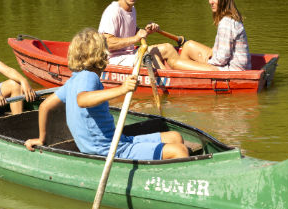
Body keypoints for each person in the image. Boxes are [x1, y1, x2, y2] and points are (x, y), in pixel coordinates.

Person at [25, 28, 189, 160]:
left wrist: (42, 139)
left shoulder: (73, 80)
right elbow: (82, 100)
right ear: (99, 54)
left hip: (114, 142)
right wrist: (122, 89)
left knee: (175, 137)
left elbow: (45, 106)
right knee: (179, 151)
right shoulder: (89, 76)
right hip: (108, 149)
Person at [166, 0, 251, 71]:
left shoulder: (226, 23)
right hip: (227, 64)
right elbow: (222, 52)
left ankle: (186, 80)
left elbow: (222, 59)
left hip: (232, 70)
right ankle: (188, 78)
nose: (211, 2)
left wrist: (203, 62)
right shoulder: (230, 18)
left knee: (173, 62)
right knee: (188, 45)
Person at [98, 0, 176, 69]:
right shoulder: (113, 11)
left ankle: (184, 76)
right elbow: (107, 43)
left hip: (130, 54)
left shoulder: (132, 9)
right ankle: (169, 80)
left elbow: (127, 31)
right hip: (113, 59)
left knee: (168, 48)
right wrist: (136, 38)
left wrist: (146, 31)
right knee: (151, 58)